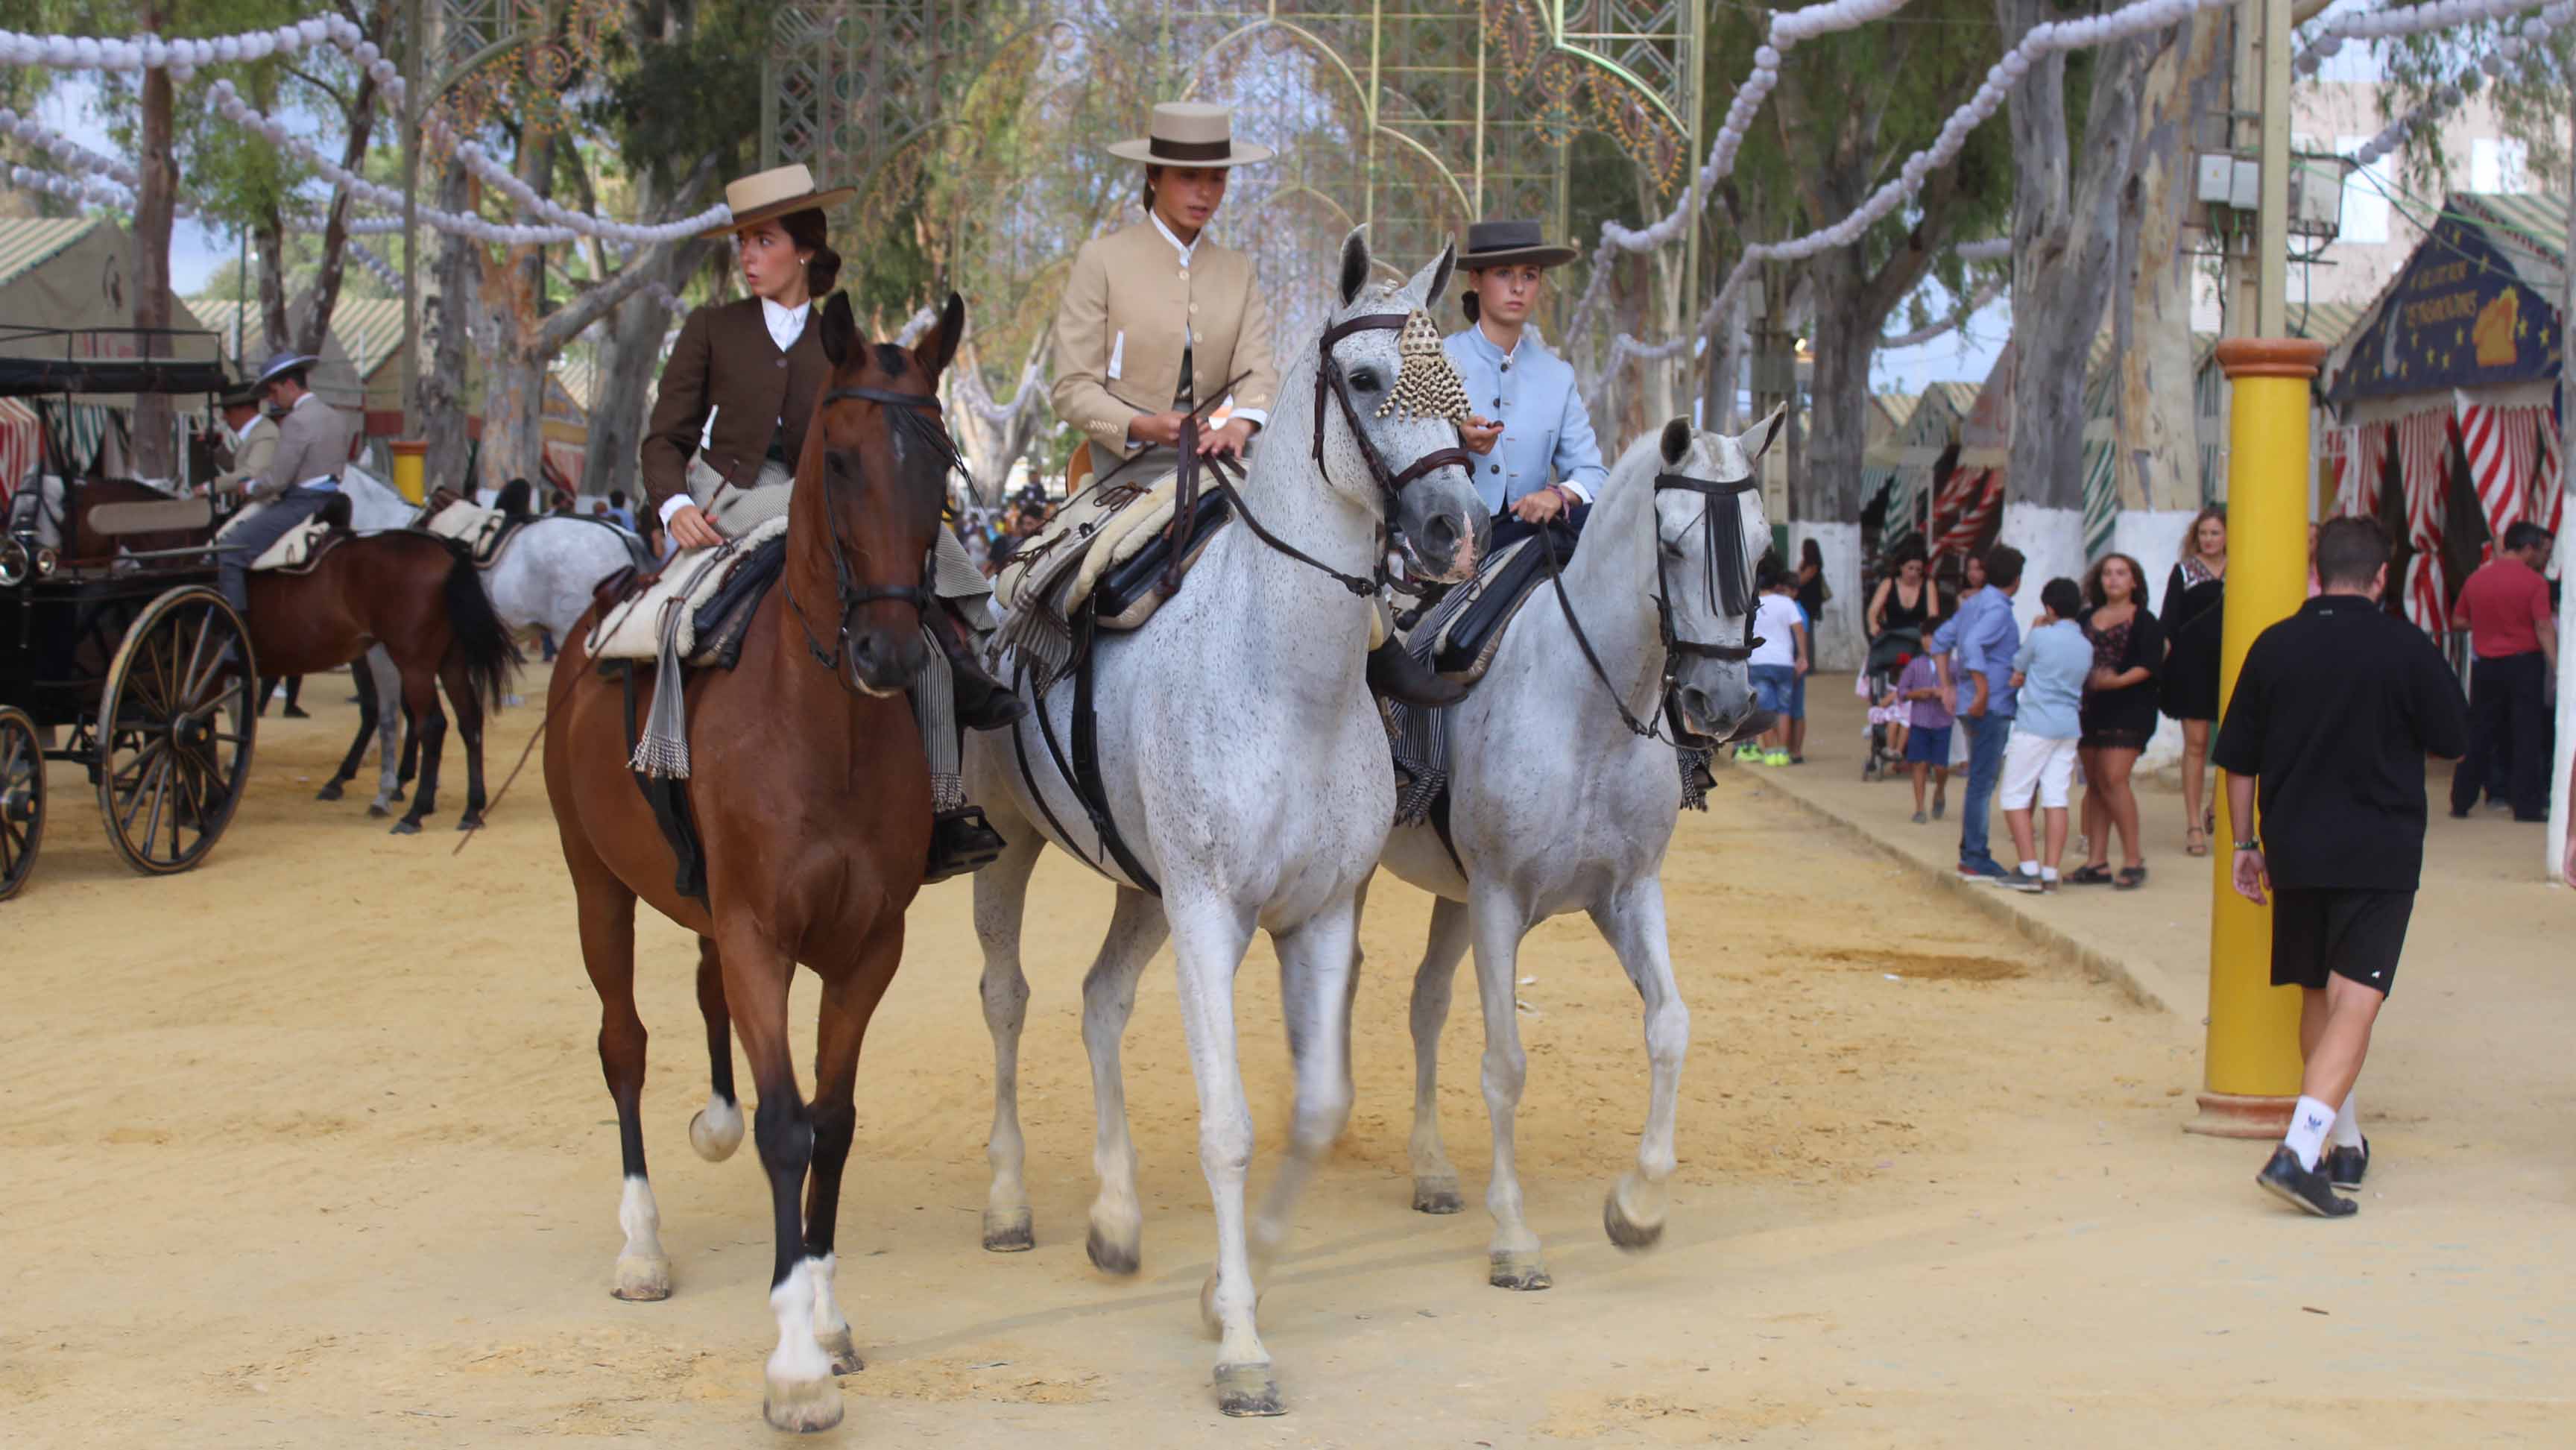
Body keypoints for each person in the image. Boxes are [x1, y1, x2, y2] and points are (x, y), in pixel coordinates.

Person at [641, 163, 1023, 874]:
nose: (749, 257)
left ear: (805, 249)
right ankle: (664, 776)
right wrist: (675, 504)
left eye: (763, 241)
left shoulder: (842, 346)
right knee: (678, 612)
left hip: (824, 494)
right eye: (744, 245)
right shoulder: (711, 328)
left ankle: (958, 687)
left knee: (906, 539)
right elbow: (665, 436)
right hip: (728, 498)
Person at [2215, 517, 2467, 1217]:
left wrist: (2244, 844)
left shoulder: (2275, 643)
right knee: (2358, 1000)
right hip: (2379, 848)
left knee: (2319, 998)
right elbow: (2454, 740)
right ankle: (2299, 1152)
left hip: (2293, 843)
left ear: (2318, 567)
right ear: (2384, 575)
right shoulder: (2405, 646)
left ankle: (2342, 1142)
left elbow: (2239, 758)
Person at [1443, 218, 1606, 552]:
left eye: (1529, 275)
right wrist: (1457, 440)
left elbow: (1592, 471)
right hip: (1447, 537)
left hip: (1528, 543)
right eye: (1503, 273)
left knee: (1613, 521)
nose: (1518, 287)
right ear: (1476, 279)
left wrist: (1558, 496)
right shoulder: (1438, 359)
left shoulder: (1557, 376)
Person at [213, 349, 355, 618]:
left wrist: (251, 487)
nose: (271, 399)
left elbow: (277, 480)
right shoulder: (334, 416)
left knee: (228, 553)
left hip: (301, 503)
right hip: (334, 499)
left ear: (290, 385)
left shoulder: (296, 421)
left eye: (274, 392)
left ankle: (234, 634)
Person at [2447, 521, 2557, 822]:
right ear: (2529, 549)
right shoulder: (2536, 583)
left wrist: (2484, 626)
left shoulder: (2476, 580)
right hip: (2524, 665)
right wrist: (2557, 665)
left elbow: (2458, 620)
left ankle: (2461, 800)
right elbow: (2543, 626)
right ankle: (2527, 806)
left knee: (2479, 734)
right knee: (2527, 736)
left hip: (2486, 666)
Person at [1930, 544, 2024, 880]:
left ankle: (1972, 850)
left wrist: (1947, 686)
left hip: (1973, 700)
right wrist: (1982, 690)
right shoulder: (1997, 609)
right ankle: (1975, 854)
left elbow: (1940, 641)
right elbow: (1970, 647)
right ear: (2016, 579)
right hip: (1990, 701)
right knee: (1983, 782)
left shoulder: (1973, 605)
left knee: (1978, 780)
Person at [2069, 552, 2164, 889]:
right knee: (2095, 783)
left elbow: (2151, 663)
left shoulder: (2145, 620)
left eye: (2121, 573)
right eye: (2108, 573)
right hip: (2089, 709)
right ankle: (2097, 862)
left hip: (2130, 708)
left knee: (2114, 777)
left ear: (2134, 581)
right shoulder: (2084, 618)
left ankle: (2134, 859)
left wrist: (2116, 682)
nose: (2113, 579)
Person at [1998, 578, 2093, 892]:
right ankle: (2051, 871)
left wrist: (2037, 627)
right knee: (2056, 797)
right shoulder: (2085, 645)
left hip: (2035, 723)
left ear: (2049, 608)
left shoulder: (2040, 636)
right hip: (2067, 726)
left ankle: (2029, 868)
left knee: (2014, 794)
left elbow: (2018, 664)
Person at [2161, 505, 2228, 856]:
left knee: (2231, 743)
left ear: (2228, 534)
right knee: (2197, 744)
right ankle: (2193, 825)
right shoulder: (2184, 571)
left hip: (2233, 666)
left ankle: (2218, 808)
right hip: (2192, 667)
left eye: (2215, 533)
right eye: (2204, 533)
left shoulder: (2243, 567)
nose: (2209, 539)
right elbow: (2169, 620)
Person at [1739, 565, 1808, 766]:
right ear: (1777, 585)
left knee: (1765, 709)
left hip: (1758, 662)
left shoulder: (1750, 604)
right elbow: (1799, 630)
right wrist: (1802, 656)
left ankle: (1769, 752)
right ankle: (1782, 751)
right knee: (1784, 709)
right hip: (1785, 663)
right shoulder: (1786, 603)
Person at [1895, 645, 1952, 824]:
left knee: (1941, 767)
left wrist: (1944, 693)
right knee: (1919, 764)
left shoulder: (1954, 666)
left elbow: (1962, 690)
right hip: (1920, 721)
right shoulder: (1915, 665)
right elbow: (1901, 692)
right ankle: (1920, 808)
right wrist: (1917, 694)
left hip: (1943, 722)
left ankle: (1940, 790)